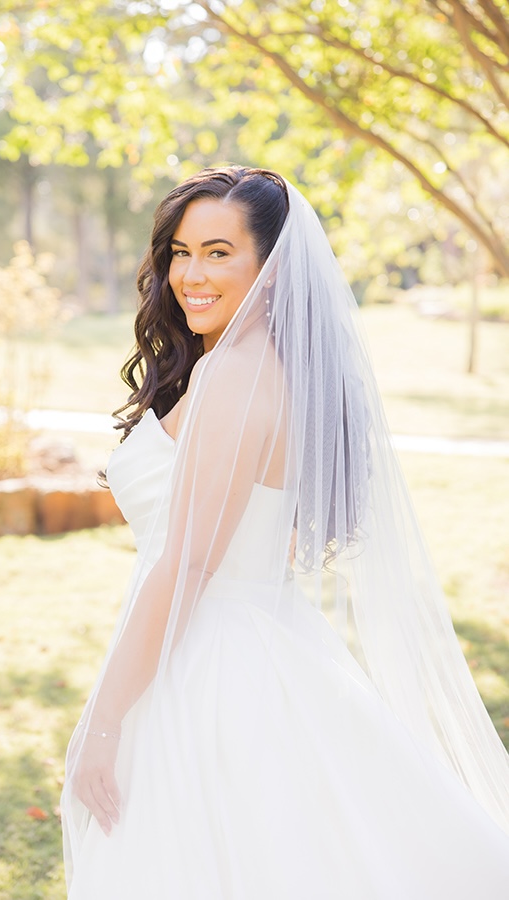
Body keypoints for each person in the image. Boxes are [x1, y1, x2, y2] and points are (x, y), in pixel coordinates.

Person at [61, 166, 509, 898]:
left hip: (212, 660)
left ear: (271, 266)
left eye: (218, 252)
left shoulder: (236, 374)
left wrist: (104, 722)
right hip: (245, 636)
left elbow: (187, 564)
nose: (190, 274)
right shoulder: (253, 366)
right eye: (180, 251)